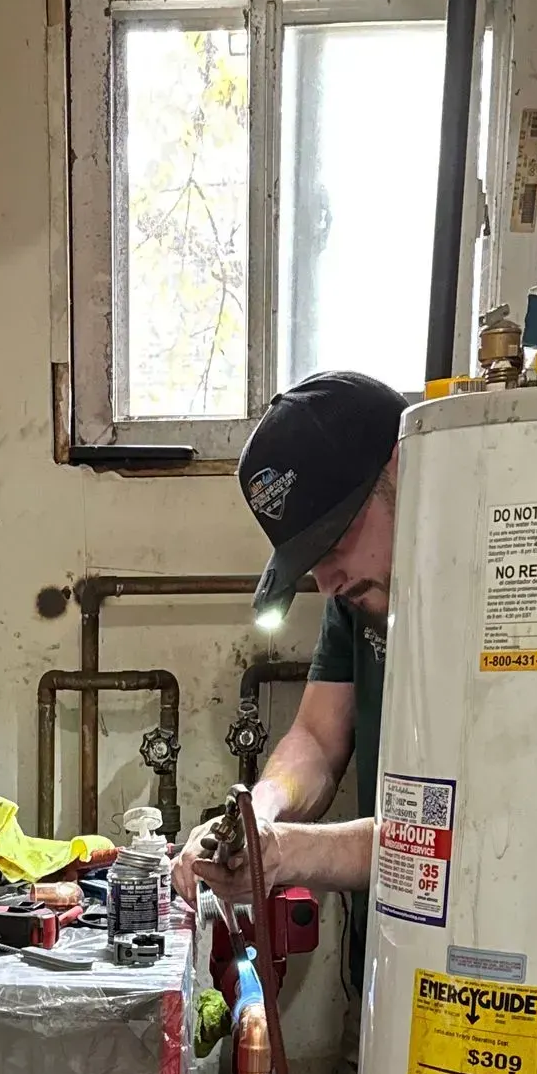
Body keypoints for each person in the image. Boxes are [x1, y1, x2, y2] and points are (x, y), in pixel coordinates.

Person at [169, 367, 404, 987]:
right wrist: (263, 810)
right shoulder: (358, 598)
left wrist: (289, 852)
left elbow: (464, 838)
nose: (326, 582)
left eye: (333, 541)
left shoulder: (507, 601)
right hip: (388, 952)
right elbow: (319, 740)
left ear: (403, 469)